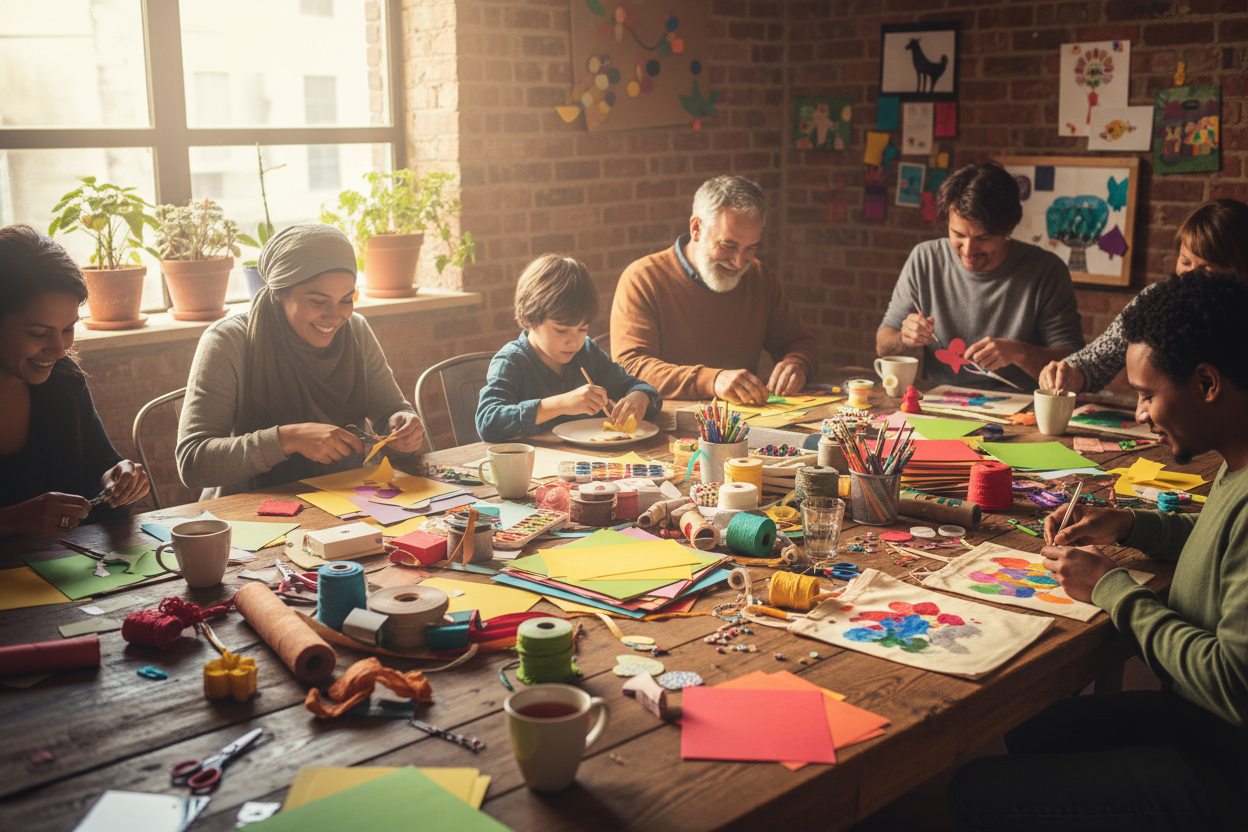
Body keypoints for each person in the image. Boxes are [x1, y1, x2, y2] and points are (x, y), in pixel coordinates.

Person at [948, 271, 1248, 831]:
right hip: (1204, 725)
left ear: (1207, 382)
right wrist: (1129, 525)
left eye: (1146, 395)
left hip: (1229, 766)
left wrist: (1111, 588)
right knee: (1033, 726)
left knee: (974, 787)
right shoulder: (1237, 461)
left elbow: (1232, 686)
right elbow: (1218, 540)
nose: (1139, 414)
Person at [177, 223, 423, 499]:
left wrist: (403, 423)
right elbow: (192, 462)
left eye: (346, 300)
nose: (335, 317)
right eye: (318, 301)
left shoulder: (355, 330)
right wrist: (288, 439)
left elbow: (389, 409)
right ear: (280, 293)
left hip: (349, 499)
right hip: (251, 515)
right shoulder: (228, 341)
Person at [610, 175, 818, 404]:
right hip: (668, 426)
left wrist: (797, 363)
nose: (739, 262)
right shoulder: (643, 278)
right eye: (728, 246)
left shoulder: (759, 277)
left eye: (751, 248)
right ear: (697, 228)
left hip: (743, 426)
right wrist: (711, 380)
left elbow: (800, 343)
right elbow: (631, 367)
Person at [877, 161, 1084, 390]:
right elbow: (883, 344)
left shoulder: (1046, 270)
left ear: (1007, 230)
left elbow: (1073, 364)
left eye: (983, 239)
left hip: (1019, 413)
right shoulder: (925, 258)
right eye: (958, 235)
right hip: (939, 404)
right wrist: (904, 339)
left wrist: (1019, 352)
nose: (967, 250)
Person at [0, 225, 149, 536]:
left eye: (68, 329)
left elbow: (102, 464)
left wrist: (118, 479)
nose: (58, 349)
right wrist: (10, 521)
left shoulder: (64, 380)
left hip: (67, 571)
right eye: (38, 333)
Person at [1040, 198, 1248, 394]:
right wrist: (1071, 372)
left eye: (1207, 270)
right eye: (1185, 262)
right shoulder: (1156, 301)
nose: (1190, 276)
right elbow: (1099, 359)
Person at [476, 254, 661, 442]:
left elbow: (642, 390)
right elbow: (488, 423)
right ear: (529, 319)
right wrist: (562, 404)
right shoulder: (512, 361)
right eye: (562, 330)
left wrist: (640, 398)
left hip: (589, 464)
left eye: (583, 328)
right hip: (535, 468)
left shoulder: (588, 353)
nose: (574, 342)